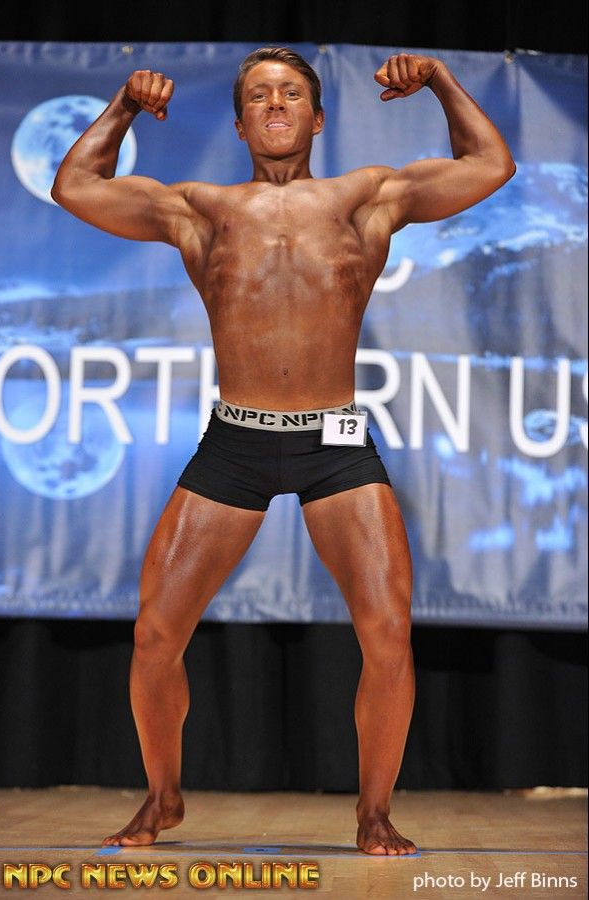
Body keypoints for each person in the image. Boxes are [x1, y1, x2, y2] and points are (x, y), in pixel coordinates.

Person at [51, 47, 515, 855]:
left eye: (291, 93)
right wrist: (123, 105)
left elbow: (490, 165)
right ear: (238, 124)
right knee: (156, 635)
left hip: (335, 440)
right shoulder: (200, 208)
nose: (275, 103)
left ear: (317, 117)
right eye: (260, 95)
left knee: (388, 633)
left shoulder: (366, 197)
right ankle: (162, 796)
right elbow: (76, 187)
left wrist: (440, 80)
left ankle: (374, 812)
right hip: (236, 440)